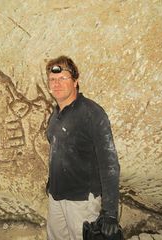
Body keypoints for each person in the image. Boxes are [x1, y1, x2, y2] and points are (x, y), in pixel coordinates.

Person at [45, 55, 120, 240]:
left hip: (81, 202)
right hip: (56, 197)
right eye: (52, 80)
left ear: (76, 81)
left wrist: (110, 212)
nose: (56, 83)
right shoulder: (56, 115)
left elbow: (109, 163)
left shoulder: (92, 114)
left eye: (63, 78)